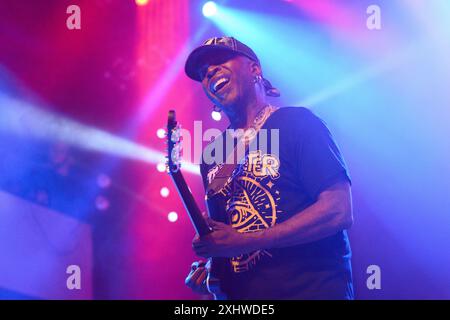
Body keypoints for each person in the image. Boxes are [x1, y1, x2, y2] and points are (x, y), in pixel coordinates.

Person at [184, 36, 354, 299]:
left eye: (219, 60)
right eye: (203, 73)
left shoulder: (298, 123)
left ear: (255, 69)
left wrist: (249, 240)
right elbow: (227, 242)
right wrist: (211, 271)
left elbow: (338, 211)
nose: (209, 71)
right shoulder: (212, 154)